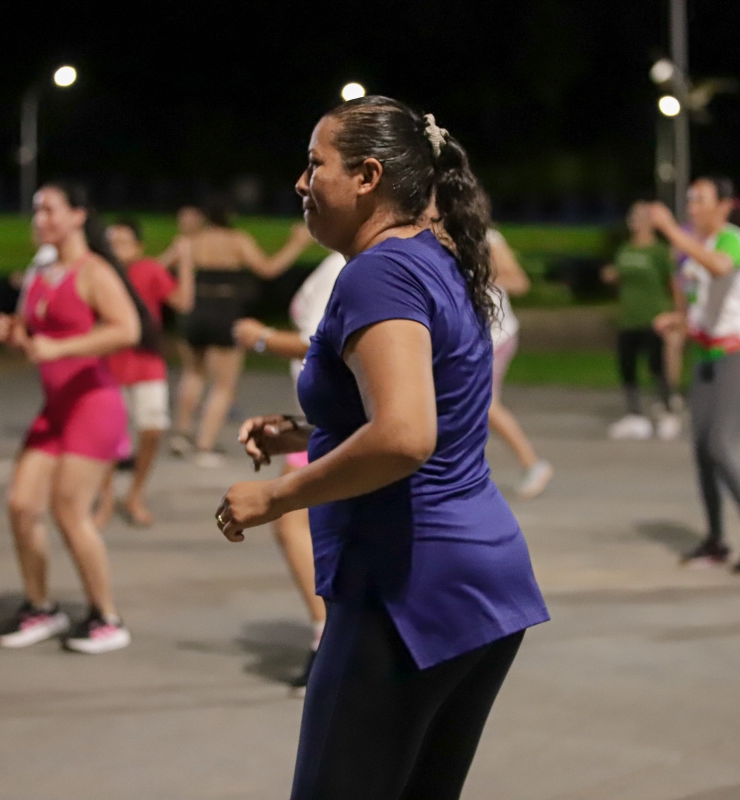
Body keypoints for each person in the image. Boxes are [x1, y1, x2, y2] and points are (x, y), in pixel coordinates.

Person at [215, 97, 549, 800]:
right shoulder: (436, 258)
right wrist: (310, 434)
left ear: (367, 176)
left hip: (407, 588)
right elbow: (434, 417)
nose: (301, 183)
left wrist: (276, 496)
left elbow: (404, 436)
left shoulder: (378, 273)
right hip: (479, 579)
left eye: (315, 165)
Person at [0, 182, 156, 653]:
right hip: (56, 408)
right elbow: (33, 337)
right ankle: (40, 606)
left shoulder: (94, 271)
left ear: (78, 216)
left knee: (69, 511)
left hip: (93, 405)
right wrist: (12, 333)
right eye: (36, 211)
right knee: (22, 505)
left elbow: (128, 329)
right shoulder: (41, 272)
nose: (39, 219)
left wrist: (61, 348)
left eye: (49, 210)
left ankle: (106, 617)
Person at [650, 177, 740, 574]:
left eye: (700, 200)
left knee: (720, 444)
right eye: (690, 200)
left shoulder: (731, 239)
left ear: (724, 206)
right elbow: (697, 309)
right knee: (702, 450)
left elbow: (720, 266)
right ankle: (716, 541)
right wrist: (676, 320)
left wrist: (671, 230)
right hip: (707, 356)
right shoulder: (692, 252)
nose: (692, 207)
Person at [233, 250, 346, 688]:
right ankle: (331, 633)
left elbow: (320, 344)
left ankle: (328, 636)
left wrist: (260, 338)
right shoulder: (341, 261)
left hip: (336, 421)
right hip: (320, 421)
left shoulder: (346, 266)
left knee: (293, 523)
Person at [167, 194, 313, 467]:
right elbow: (268, 269)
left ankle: (181, 435)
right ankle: (204, 445)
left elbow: (162, 265)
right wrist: (296, 244)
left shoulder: (192, 241)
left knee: (192, 374)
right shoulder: (237, 240)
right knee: (223, 386)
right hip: (225, 312)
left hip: (197, 310)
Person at [94, 218, 194, 527]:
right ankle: (106, 497)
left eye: (123, 242)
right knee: (107, 437)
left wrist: (185, 261)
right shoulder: (98, 273)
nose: (117, 249)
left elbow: (183, 302)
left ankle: (134, 494)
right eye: (112, 243)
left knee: (152, 429)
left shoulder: (149, 270)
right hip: (109, 364)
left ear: (138, 247)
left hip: (147, 363)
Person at [603, 200, 683, 440]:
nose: (635, 221)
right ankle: (634, 415)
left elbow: (673, 284)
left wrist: (678, 314)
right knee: (627, 365)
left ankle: (667, 412)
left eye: (640, 216)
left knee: (657, 366)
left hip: (654, 316)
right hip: (629, 316)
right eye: (632, 216)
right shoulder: (626, 249)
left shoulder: (658, 251)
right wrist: (612, 275)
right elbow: (621, 274)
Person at [486, 227, 554, 497]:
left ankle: (533, 464)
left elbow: (519, 282)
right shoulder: (432, 235)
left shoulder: (486, 237)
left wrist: (476, 274)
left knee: (486, 404)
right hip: (467, 337)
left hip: (495, 336)